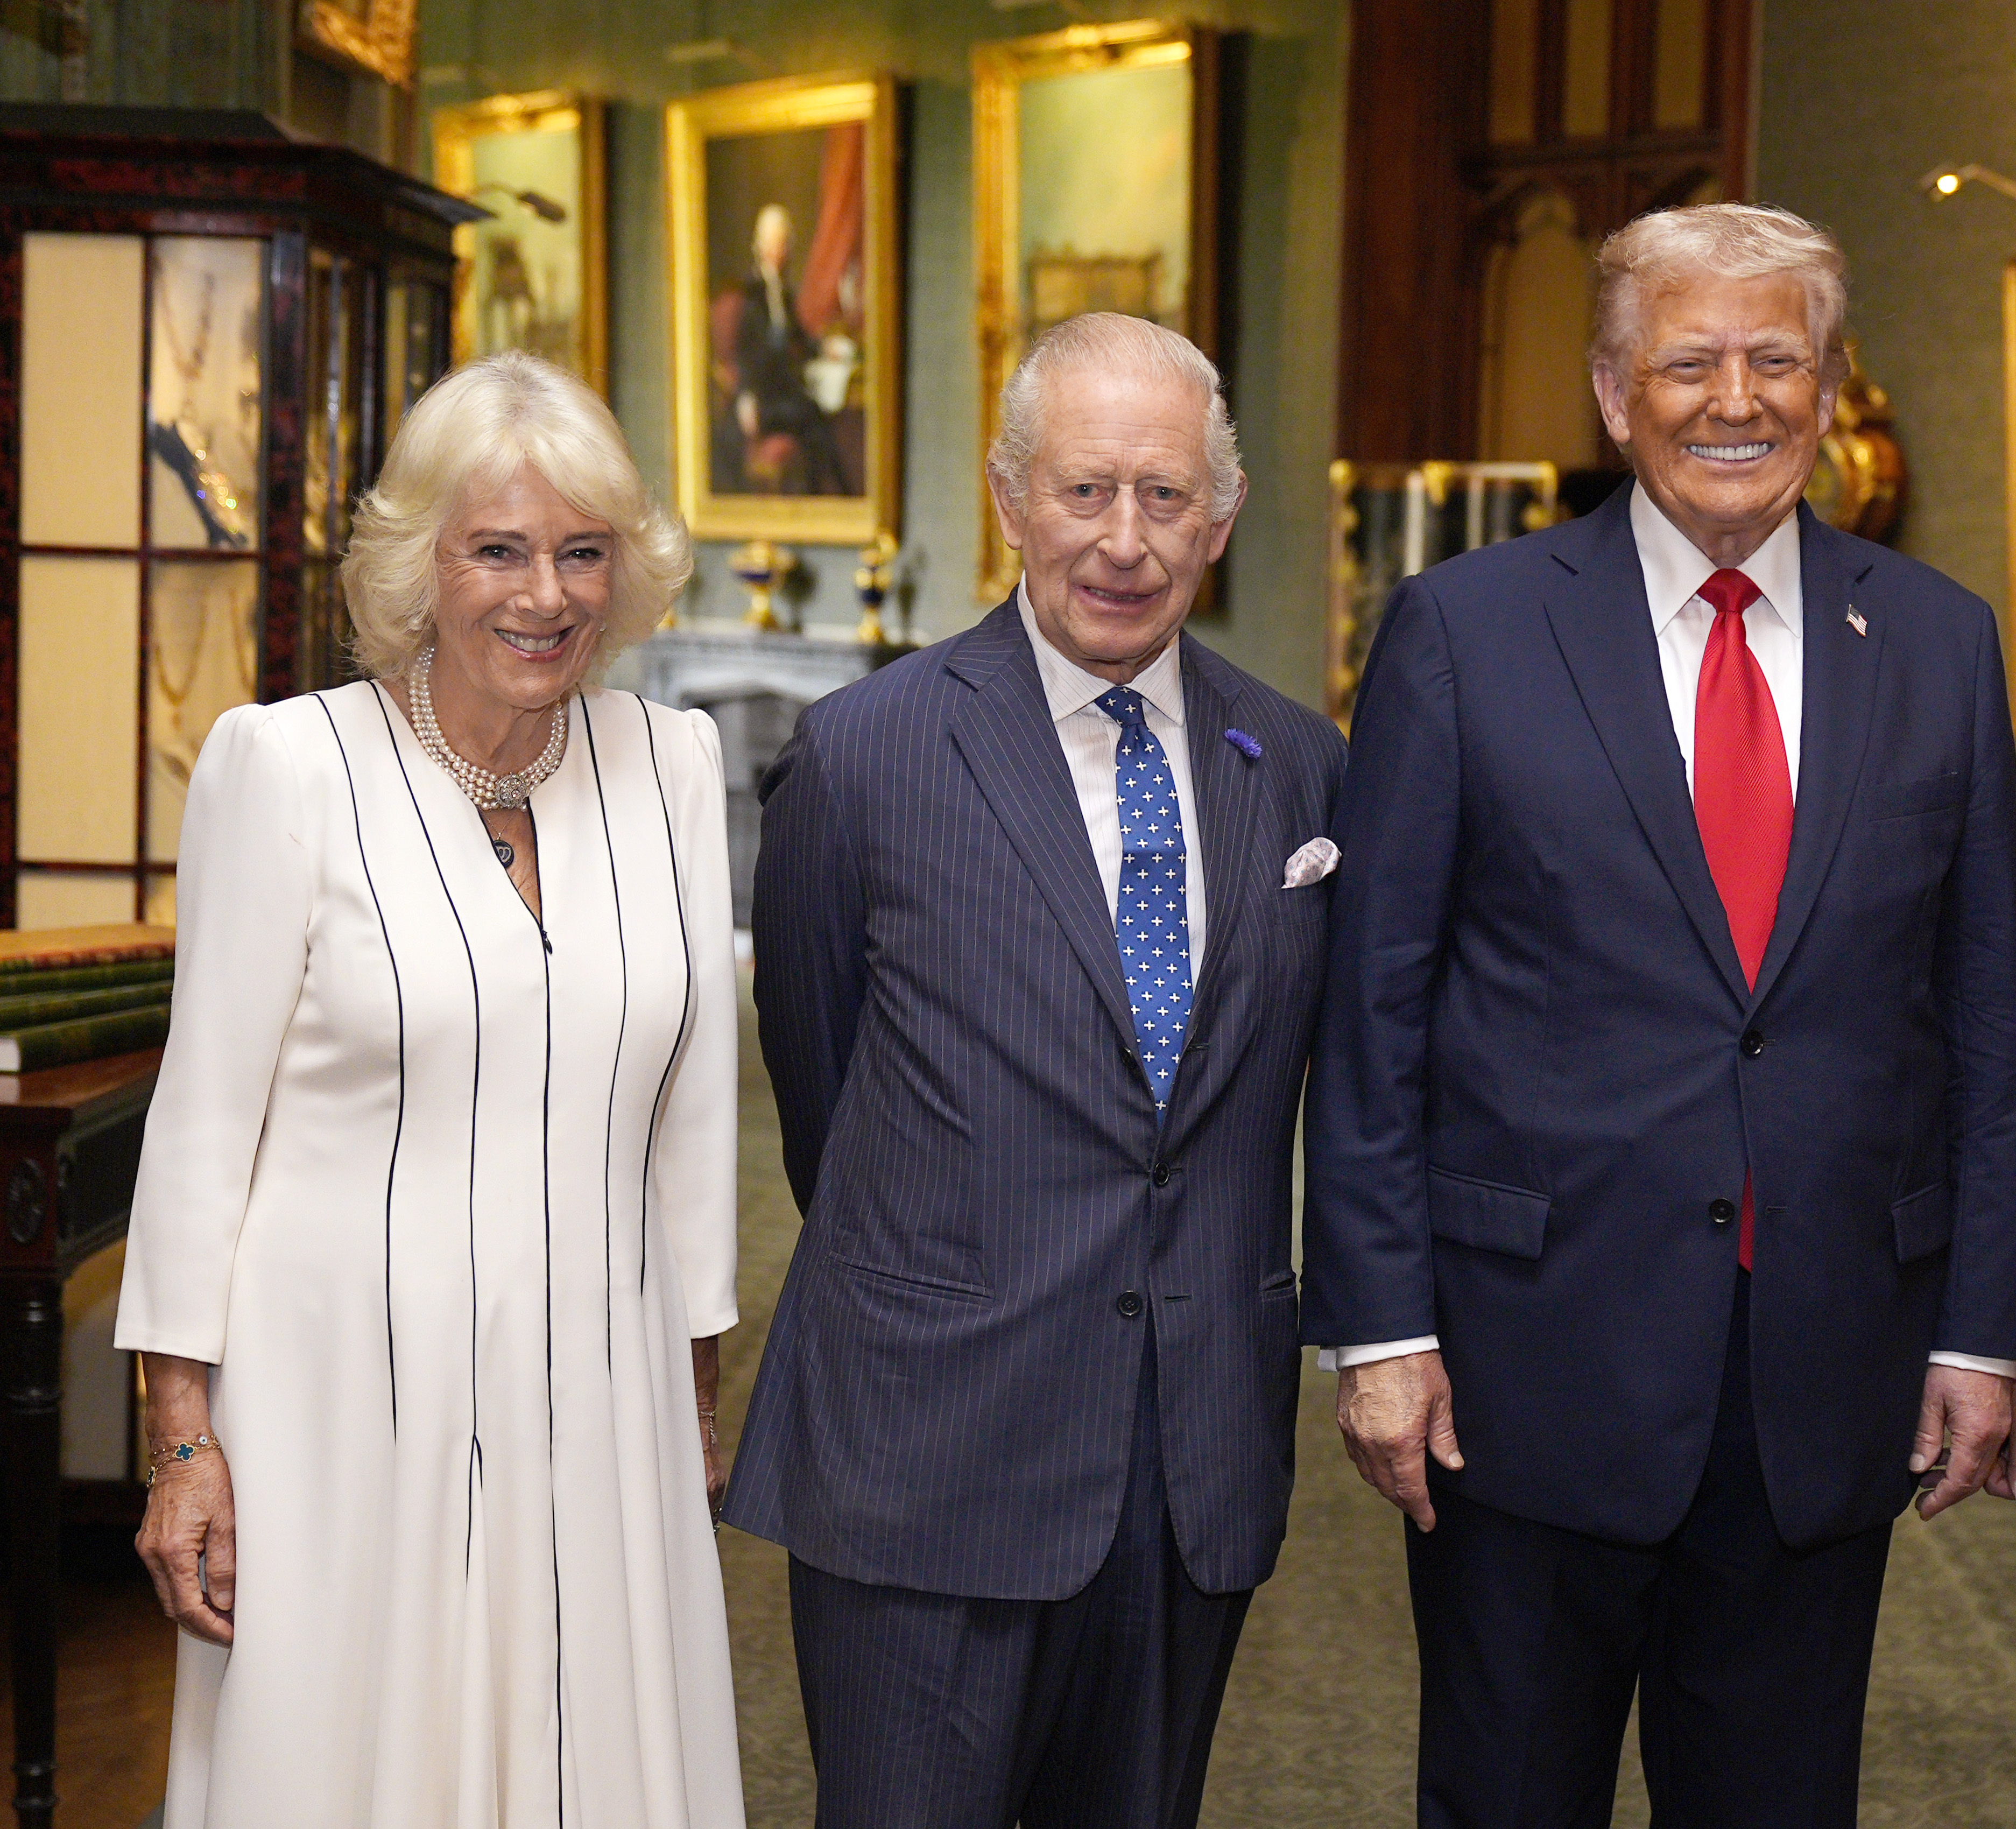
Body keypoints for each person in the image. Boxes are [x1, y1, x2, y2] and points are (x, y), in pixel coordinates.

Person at [1303, 202, 2016, 1824]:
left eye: (1778, 358)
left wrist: (1981, 1331)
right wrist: (1382, 1331)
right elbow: (1374, 1012)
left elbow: (1989, 1020)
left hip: (1823, 1367)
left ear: (1828, 383)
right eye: (1689, 360)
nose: (1737, 398)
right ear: (1610, 390)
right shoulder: (1463, 629)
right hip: (1523, 1365)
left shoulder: (1939, 640)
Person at [724, 312, 1345, 1829]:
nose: (1125, 540)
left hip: (1189, 1459)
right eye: (1085, 490)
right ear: (1010, 498)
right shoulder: (862, 758)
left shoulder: (1300, 763)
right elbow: (822, 1091)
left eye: (1165, 494)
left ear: (1221, 516)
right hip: (927, 1448)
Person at [115, 350, 742, 1826]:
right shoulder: (288, 765)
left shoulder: (671, 763)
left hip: (603, 1399)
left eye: (582, 552)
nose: (546, 595)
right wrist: (182, 1442)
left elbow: (696, 1120)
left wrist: (691, 1398)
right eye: (499, 551)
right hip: (343, 1409)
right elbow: (201, 1132)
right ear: (421, 565)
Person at [730, 201, 848, 495]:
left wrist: (824, 349)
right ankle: (834, 492)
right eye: (773, 243)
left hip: (784, 391)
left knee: (818, 420)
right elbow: (743, 351)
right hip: (762, 398)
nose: (779, 250)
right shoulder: (750, 293)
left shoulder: (783, 292)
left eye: (783, 243)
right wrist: (746, 396)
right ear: (760, 246)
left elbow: (798, 340)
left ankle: (822, 495)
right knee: (814, 419)